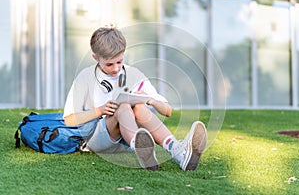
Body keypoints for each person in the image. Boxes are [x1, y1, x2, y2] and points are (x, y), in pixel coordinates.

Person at [63, 26, 207, 171]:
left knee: (139, 107)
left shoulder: (133, 74)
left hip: (125, 139)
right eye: (109, 64)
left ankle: (178, 152)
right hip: (96, 139)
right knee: (123, 106)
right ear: (95, 58)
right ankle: (139, 146)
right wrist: (100, 110)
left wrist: (151, 100)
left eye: (119, 62)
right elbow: (69, 119)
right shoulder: (85, 77)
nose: (115, 69)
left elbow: (168, 111)